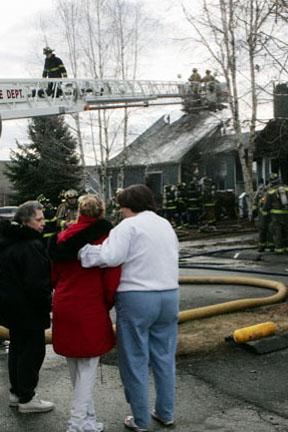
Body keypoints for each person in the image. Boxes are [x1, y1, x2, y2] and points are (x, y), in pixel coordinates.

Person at [78, 184, 179, 432]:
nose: (120, 212)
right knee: (164, 357)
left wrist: (84, 251)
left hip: (137, 297)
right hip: (169, 294)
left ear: (129, 206)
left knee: (135, 358)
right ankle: (165, 413)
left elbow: (110, 257)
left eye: (122, 207)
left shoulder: (128, 226)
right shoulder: (164, 224)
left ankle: (140, 419)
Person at [50, 194, 121, 432]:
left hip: (63, 303)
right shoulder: (106, 238)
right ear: (101, 212)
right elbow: (111, 280)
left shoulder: (64, 236)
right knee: (88, 369)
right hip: (88, 306)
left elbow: (53, 275)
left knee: (76, 368)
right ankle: (76, 423)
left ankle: (89, 421)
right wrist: (106, 305)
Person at [0, 201, 54, 413]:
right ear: (25, 221)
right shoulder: (31, 245)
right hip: (29, 309)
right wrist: (46, 305)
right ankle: (27, 397)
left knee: (17, 349)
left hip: (11, 307)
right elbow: (37, 283)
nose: (43, 223)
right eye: (38, 220)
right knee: (32, 352)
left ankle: (17, 392)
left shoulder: (8, 241)